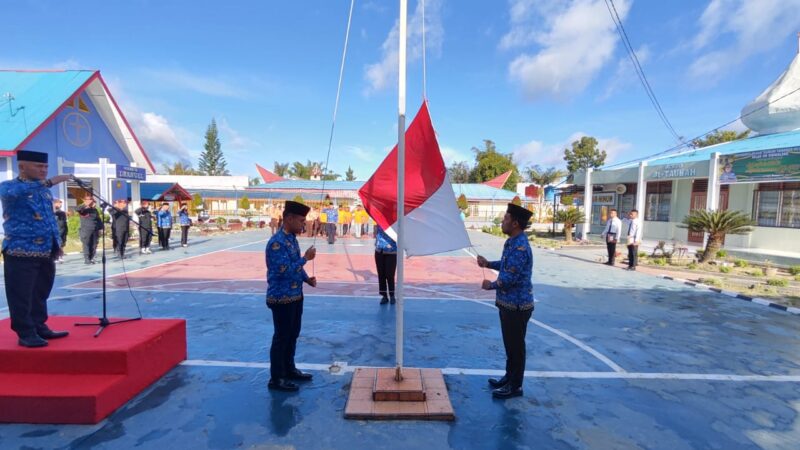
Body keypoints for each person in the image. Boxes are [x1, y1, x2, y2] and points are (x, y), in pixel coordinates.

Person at [0, 150, 72, 347]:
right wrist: (49, 181)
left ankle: (39, 325)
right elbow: (14, 193)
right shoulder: (9, 187)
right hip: (20, 250)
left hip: (46, 250)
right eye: (39, 166)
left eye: (46, 167)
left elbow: (49, 219)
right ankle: (25, 332)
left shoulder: (44, 191)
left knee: (40, 292)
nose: (44, 170)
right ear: (22, 167)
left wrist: (56, 244)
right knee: (21, 294)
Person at [476, 203, 533, 399]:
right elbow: (506, 266)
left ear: (515, 223)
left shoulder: (520, 247)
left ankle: (515, 386)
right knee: (510, 345)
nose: (503, 221)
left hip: (517, 306)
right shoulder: (511, 242)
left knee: (516, 347)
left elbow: (511, 278)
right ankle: (509, 378)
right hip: (508, 303)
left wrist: (489, 285)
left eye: (506, 219)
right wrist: (488, 263)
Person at [266, 200, 317, 392]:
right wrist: (306, 259)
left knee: (292, 335)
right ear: (289, 218)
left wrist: (307, 280)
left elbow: (295, 265)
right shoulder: (277, 243)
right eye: (301, 221)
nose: (303, 224)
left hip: (295, 295)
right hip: (281, 298)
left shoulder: (291, 239)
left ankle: (289, 369)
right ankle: (276, 378)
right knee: (282, 337)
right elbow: (285, 270)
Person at [76, 192, 102, 265]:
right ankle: (87, 260)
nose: (91, 201)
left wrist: (100, 228)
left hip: (95, 230)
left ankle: (91, 258)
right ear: (85, 201)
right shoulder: (83, 209)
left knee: (94, 245)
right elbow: (77, 209)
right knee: (86, 245)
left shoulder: (94, 210)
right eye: (88, 200)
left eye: (91, 200)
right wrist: (85, 204)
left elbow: (98, 219)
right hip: (86, 230)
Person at [374, 225, 397, 305]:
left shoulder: (394, 221)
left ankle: (392, 295)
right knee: (381, 274)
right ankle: (384, 296)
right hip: (379, 250)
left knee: (390, 275)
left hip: (391, 251)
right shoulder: (378, 219)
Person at [53, 198, 68, 263]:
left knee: (62, 244)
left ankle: (60, 256)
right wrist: (55, 208)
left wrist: (66, 230)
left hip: (63, 230)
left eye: (60, 203)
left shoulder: (62, 213)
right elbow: (55, 213)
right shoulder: (53, 212)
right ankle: (55, 257)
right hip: (56, 230)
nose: (60, 204)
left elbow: (64, 221)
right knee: (57, 244)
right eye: (59, 203)